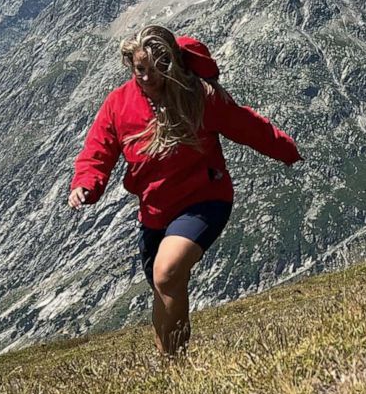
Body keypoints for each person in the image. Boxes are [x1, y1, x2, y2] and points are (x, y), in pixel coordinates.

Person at [68, 24, 301, 355]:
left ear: (171, 63)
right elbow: (98, 150)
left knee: (167, 273)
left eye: (157, 68)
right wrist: (86, 186)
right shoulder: (118, 104)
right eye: (140, 69)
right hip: (154, 211)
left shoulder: (199, 97)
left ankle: (177, 363)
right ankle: (172, 367)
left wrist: (286, 150)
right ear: (130, 66)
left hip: (204, 199)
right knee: (164, 287)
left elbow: (246, 125)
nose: (148, 77)